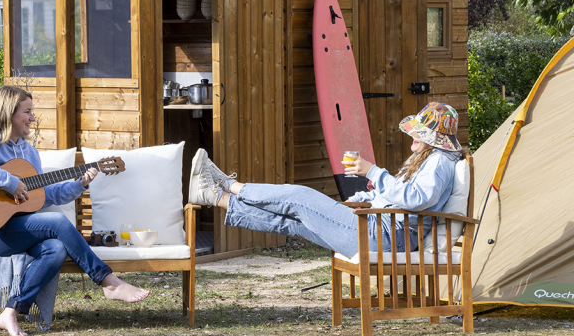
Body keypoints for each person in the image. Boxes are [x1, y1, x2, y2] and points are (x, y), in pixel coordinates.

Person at [0, 85, 150, 336]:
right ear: (9, 113)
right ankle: (107, 281)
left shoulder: (28, 153)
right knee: (58, 221)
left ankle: (11, 311)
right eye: (27, 111)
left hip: (14, 229)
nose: (33, 118)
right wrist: (9, 182)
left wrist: (78, 185)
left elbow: (42, 196)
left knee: (55, 249)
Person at [188, 102, 464, 258]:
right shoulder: (430, 159)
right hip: (380, 229)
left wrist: (372, 171)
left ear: (433, 140)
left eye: (419, 133)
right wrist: (365, 198)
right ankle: (214, 196)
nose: (413, 136)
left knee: (298, 197)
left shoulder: (439, 161)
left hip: (384, 237)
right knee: (292, 222)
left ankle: (229, 185)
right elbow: (406, 195)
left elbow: (416, 200)